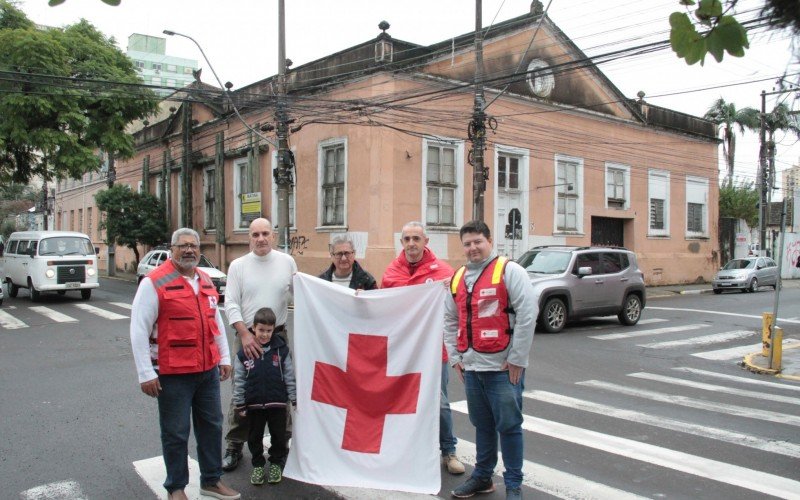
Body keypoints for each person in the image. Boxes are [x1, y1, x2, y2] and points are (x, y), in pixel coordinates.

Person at [130, 228, 240, 500]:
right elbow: (138, 330)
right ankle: (176, 488)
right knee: (176, 432)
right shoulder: (154, 282)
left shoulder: (205, 280)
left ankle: (211, 481)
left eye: (194, 245)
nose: (189, 250)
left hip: (206, 372)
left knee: (212, 427)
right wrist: (146, 373)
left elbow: (215, 324)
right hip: (173, 374)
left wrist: (224, 358)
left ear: (200, 250)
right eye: (183, 246)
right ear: (172, 249)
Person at [444, 220, 537, 500]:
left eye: (477, 242)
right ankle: (483, 477)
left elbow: (527, 314)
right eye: (467, 244)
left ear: (489, 241)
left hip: (502, 369)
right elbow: (449, 319)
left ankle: (513, 485)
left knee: (508, 427)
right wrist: (454, 358)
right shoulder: (458, 277)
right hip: (471, 368)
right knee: (482, 425)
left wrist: (518, 359)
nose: (472, 248)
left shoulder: (510, 271)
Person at [382, 221, 465, 475]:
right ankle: (407, 449)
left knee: (438, 402)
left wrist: (458, 346)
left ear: (426, 242)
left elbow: (458, 309)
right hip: (401, 351)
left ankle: (448, 450)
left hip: (432, 351)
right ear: (401, 243)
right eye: (407, 239)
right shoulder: (391, 272)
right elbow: (382, 308)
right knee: (400, 401)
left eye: (416, 239)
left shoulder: (443, 272)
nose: (411, 244)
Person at [222, 217, 297, 471]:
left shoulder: (287, 262)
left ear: (273, 236)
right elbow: (230, 302)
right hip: (247, 335)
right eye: (255, 234)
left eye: (265, 233)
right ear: (249, 238)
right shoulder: (238, 266)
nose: (261, 239)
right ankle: (234, 445)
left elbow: (302, 294)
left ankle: (282, 445)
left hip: (278, 337)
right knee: (243, 391)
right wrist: (245, 334)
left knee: (282, 390)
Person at [233, 307, 296, 486]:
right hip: (254, 405)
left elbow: (289, 375)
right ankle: (258, 465)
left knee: (279, 435)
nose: (265, 334)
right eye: (261, 330)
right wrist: (240, 403)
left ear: (274, 329)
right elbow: (238, 380)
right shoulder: (244, 352)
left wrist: (293, 397)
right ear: (253, 328)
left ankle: (276, 463)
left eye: (269, 331)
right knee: (254, 436)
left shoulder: (281, 350)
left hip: (277, 404)